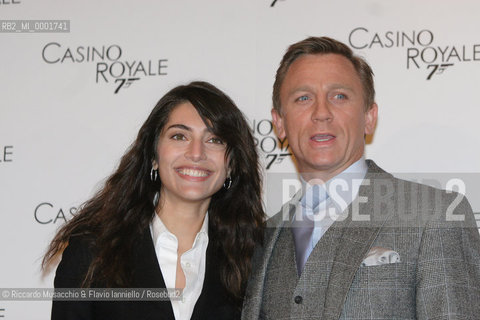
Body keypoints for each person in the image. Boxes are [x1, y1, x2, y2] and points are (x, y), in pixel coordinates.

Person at [242, 37, 480, 319]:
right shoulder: (264, 239)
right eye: (303, 98)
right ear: (279, 123)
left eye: (339, 96)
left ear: (369, 116)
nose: (321, 113)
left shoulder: (436, 217)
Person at [43, 81, 265, 320]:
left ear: (231, 164)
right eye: (179, 136)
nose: (196, 153)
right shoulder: (93, 250)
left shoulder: (255, 256)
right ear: (153, 156)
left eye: (215, 140)